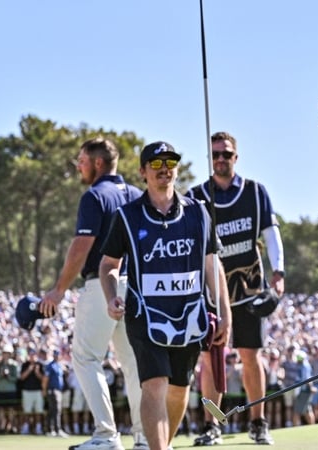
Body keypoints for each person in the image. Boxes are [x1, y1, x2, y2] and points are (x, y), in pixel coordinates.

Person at [99, 141, 232, 450]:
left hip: (189, 318)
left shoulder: (199, 213)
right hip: (144, 316)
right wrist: (110, 295)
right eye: (156, 164)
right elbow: (108, 264)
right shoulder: (127, 216)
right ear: (143, 172)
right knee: (154, 385)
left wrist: (225, 311)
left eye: (170, 162)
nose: (165, 169)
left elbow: (213, 264)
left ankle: (164, 444)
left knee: (178, 390)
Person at [38, 137, 147, 450]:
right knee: (134, 364)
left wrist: (59, 290)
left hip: (103, 284)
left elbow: (82, 247)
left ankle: (106, 435)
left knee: (86, 357)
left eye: (82, 161)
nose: (78, 167)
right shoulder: (139, 196)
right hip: (136, 289)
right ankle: (143, 437)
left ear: (98, 163)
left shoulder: (94, 196)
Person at [187, 131, 285, 446]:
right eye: (215, 154)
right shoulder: (196, 196)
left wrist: (279, 273)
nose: (220, 159)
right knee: (211, 359)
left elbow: (270, 233)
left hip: (249, 289)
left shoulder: (255, 193)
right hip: (212, 294)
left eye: (226, 154)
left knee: (251, 356)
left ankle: (258, 422)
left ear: (235, 157)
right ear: (209, 158)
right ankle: (212, 425)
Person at [42, 348, 70, 437]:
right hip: (53, 390)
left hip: (59, 390)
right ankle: (56, 430)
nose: (57, 356)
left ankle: (51, 429)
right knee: (55, 410)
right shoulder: (50, 365)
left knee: (54, 410)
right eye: (55, 355)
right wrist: (44, 390)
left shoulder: (59, 365)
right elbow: (45, 379)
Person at [19, 347, 45, 435]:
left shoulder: (40, 365)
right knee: (27, 411)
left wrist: (37, 372)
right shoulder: (25, 365)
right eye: (31, 355)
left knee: (38, 411)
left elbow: (43, 379)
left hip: (38, 391)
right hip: (27, 391)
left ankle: (38, 428)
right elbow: (22, 377)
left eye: (33, 355)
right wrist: (29, 369)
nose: (32, 357)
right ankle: (26, 427)